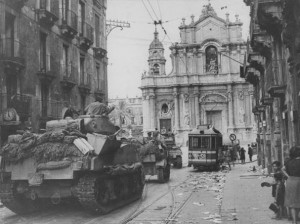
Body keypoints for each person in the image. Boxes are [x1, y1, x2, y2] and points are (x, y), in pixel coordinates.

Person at [282, 147, 300, 224]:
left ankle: (294, 221)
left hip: (290, 181)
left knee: (292, 202)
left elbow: (282, 169)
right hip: (298, 181)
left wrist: (288, 176)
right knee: (298, 201)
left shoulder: (288, 161)